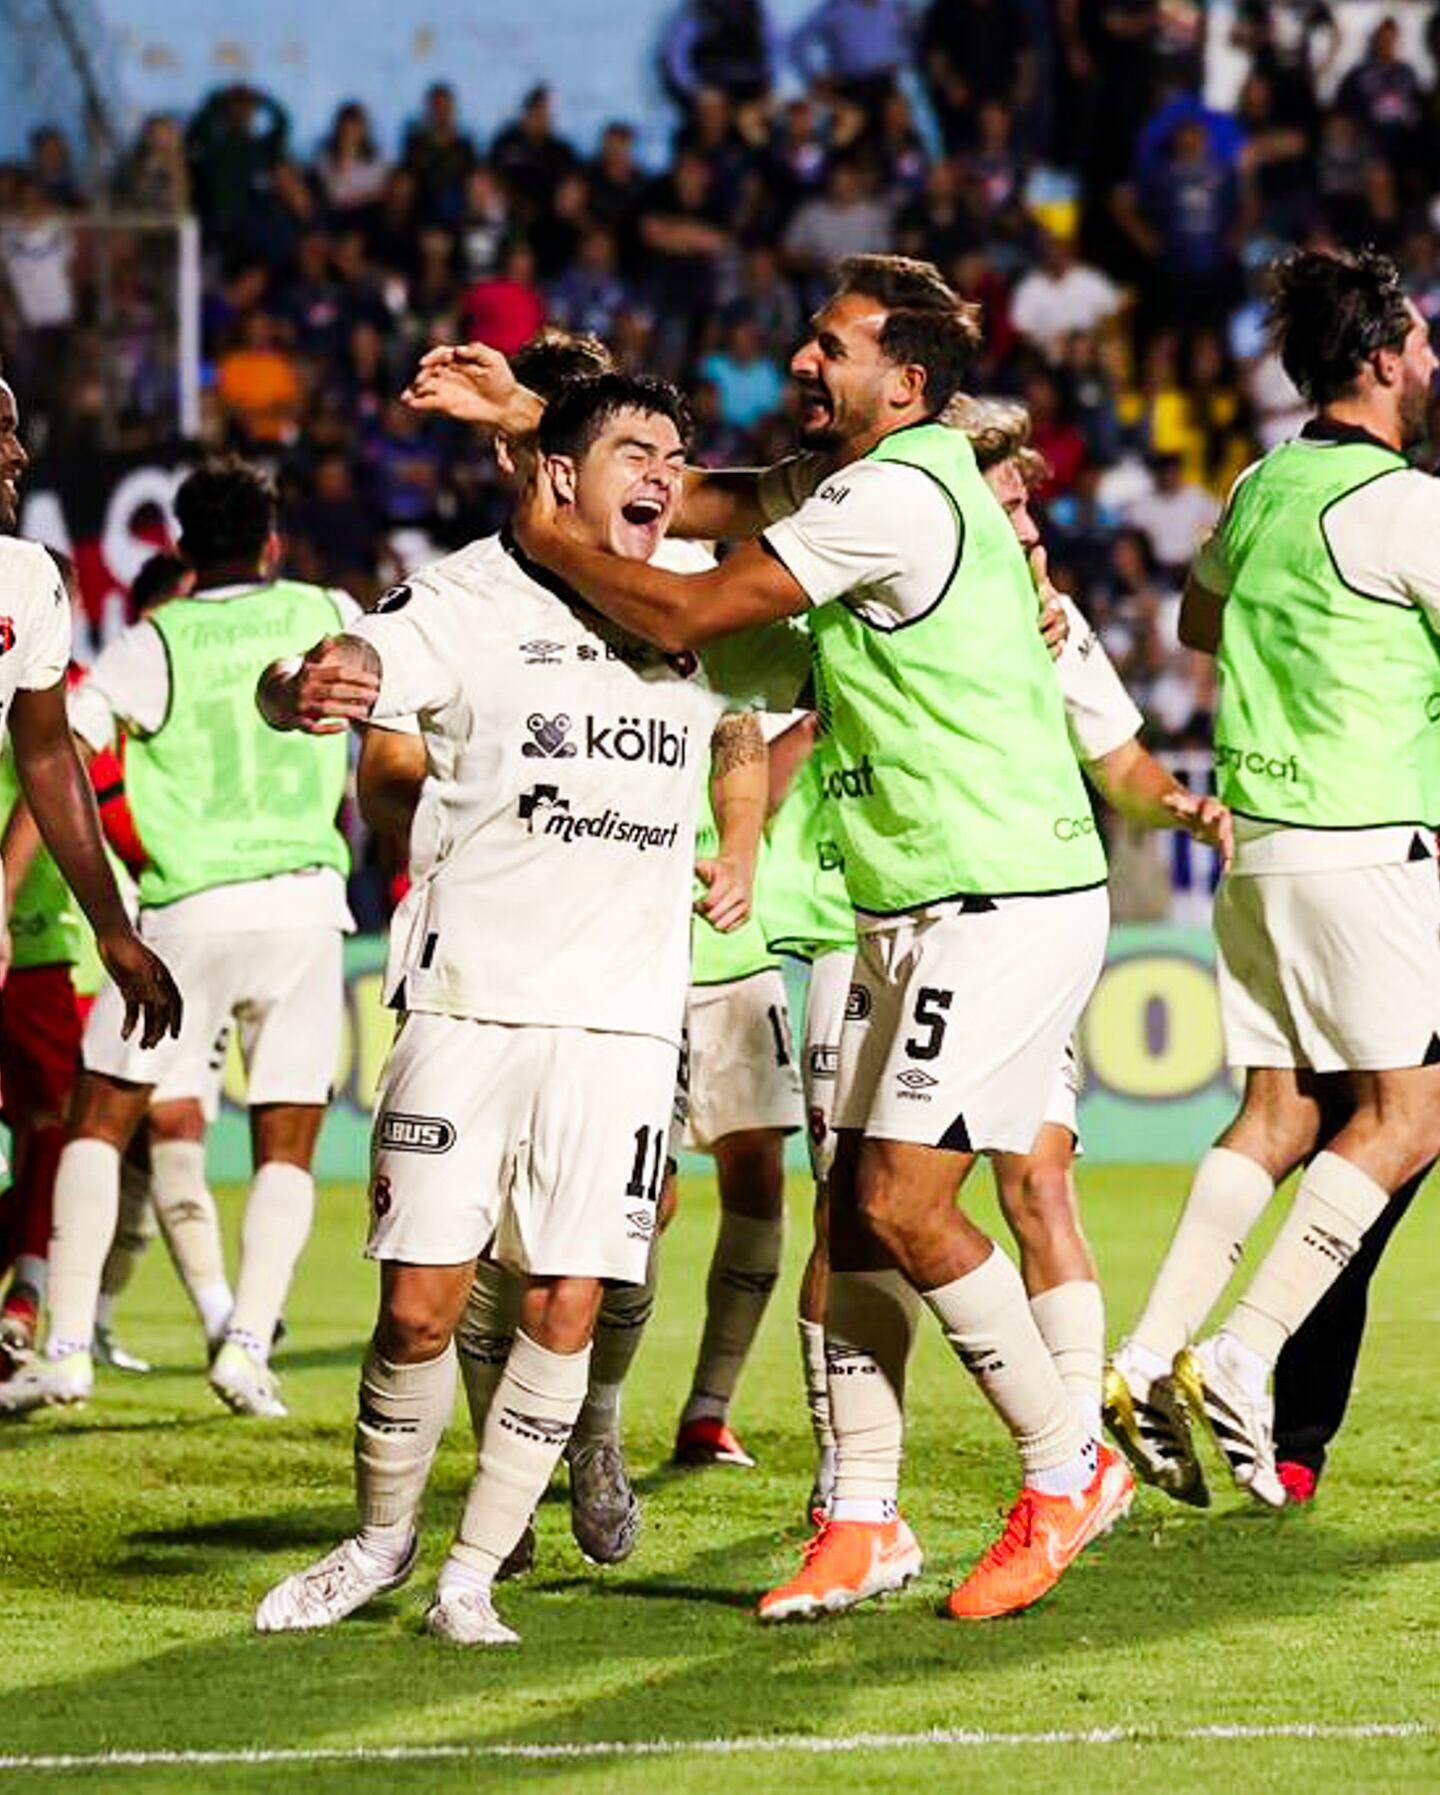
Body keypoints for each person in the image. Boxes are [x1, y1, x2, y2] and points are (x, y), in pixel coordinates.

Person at [492, 253, 1136, 1624]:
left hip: (1002, 898)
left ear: (905, 382)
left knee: (902, 1201)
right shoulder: (858, 479)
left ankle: (1069, 1464)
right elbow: (700, 502)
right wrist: (534, 428)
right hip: (910, 902)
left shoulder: (895, 494)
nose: (801, 361)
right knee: (849, 1214)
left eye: (830, 346)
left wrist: (548, 537)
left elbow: (689, 598)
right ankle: (862, 1519)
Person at [252, 372, 757, 1647]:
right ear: (559, 474)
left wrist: (743, 838)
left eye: (676, 453)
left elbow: (749, 724)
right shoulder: (466, 596)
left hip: (625, 1023)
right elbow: (346, 667)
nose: (663, 473)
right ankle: (379, 1542)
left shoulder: (695, 597)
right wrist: (302, 681)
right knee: (419, 1308)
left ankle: (470, 1577)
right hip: (468, 1004)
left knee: (568, 1304)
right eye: (636, 450)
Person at [1105, 248, 1440, 1510]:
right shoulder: (1405, 506)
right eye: (1421, 342)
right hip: (1368, 838)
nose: (1433, 360)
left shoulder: (1258, 484)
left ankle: (1146, 1356)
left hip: (1260, 846)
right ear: (1381, 361)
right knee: (1410, 1115)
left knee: (1281, 1113)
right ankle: (1245, 1352)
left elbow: (1200, 622)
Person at [0, 458, 352, 1420]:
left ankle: (66, 1349)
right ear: (272, 542)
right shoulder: (328, 610)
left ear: (184, 551)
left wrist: (18, 879)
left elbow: (62, 746)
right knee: (288, 1136)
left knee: (98, 1119)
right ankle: (247, 1346)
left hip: (187, 912)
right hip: (307, 907)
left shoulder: (157, 639)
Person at [0, 375, 179, 1076]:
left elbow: (47, 753)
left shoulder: (26, 580)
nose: (18, 455)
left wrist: (112, 926)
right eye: (2, 432)